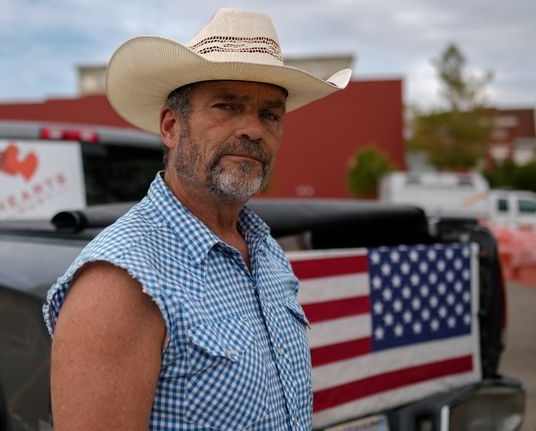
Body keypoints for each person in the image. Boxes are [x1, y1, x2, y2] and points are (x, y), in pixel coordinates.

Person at [43, 8, 350, 430]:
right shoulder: (122, 282)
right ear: (171, 126)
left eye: (270, 114)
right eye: (226, 105)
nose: (253, 130)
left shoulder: (266, 253)